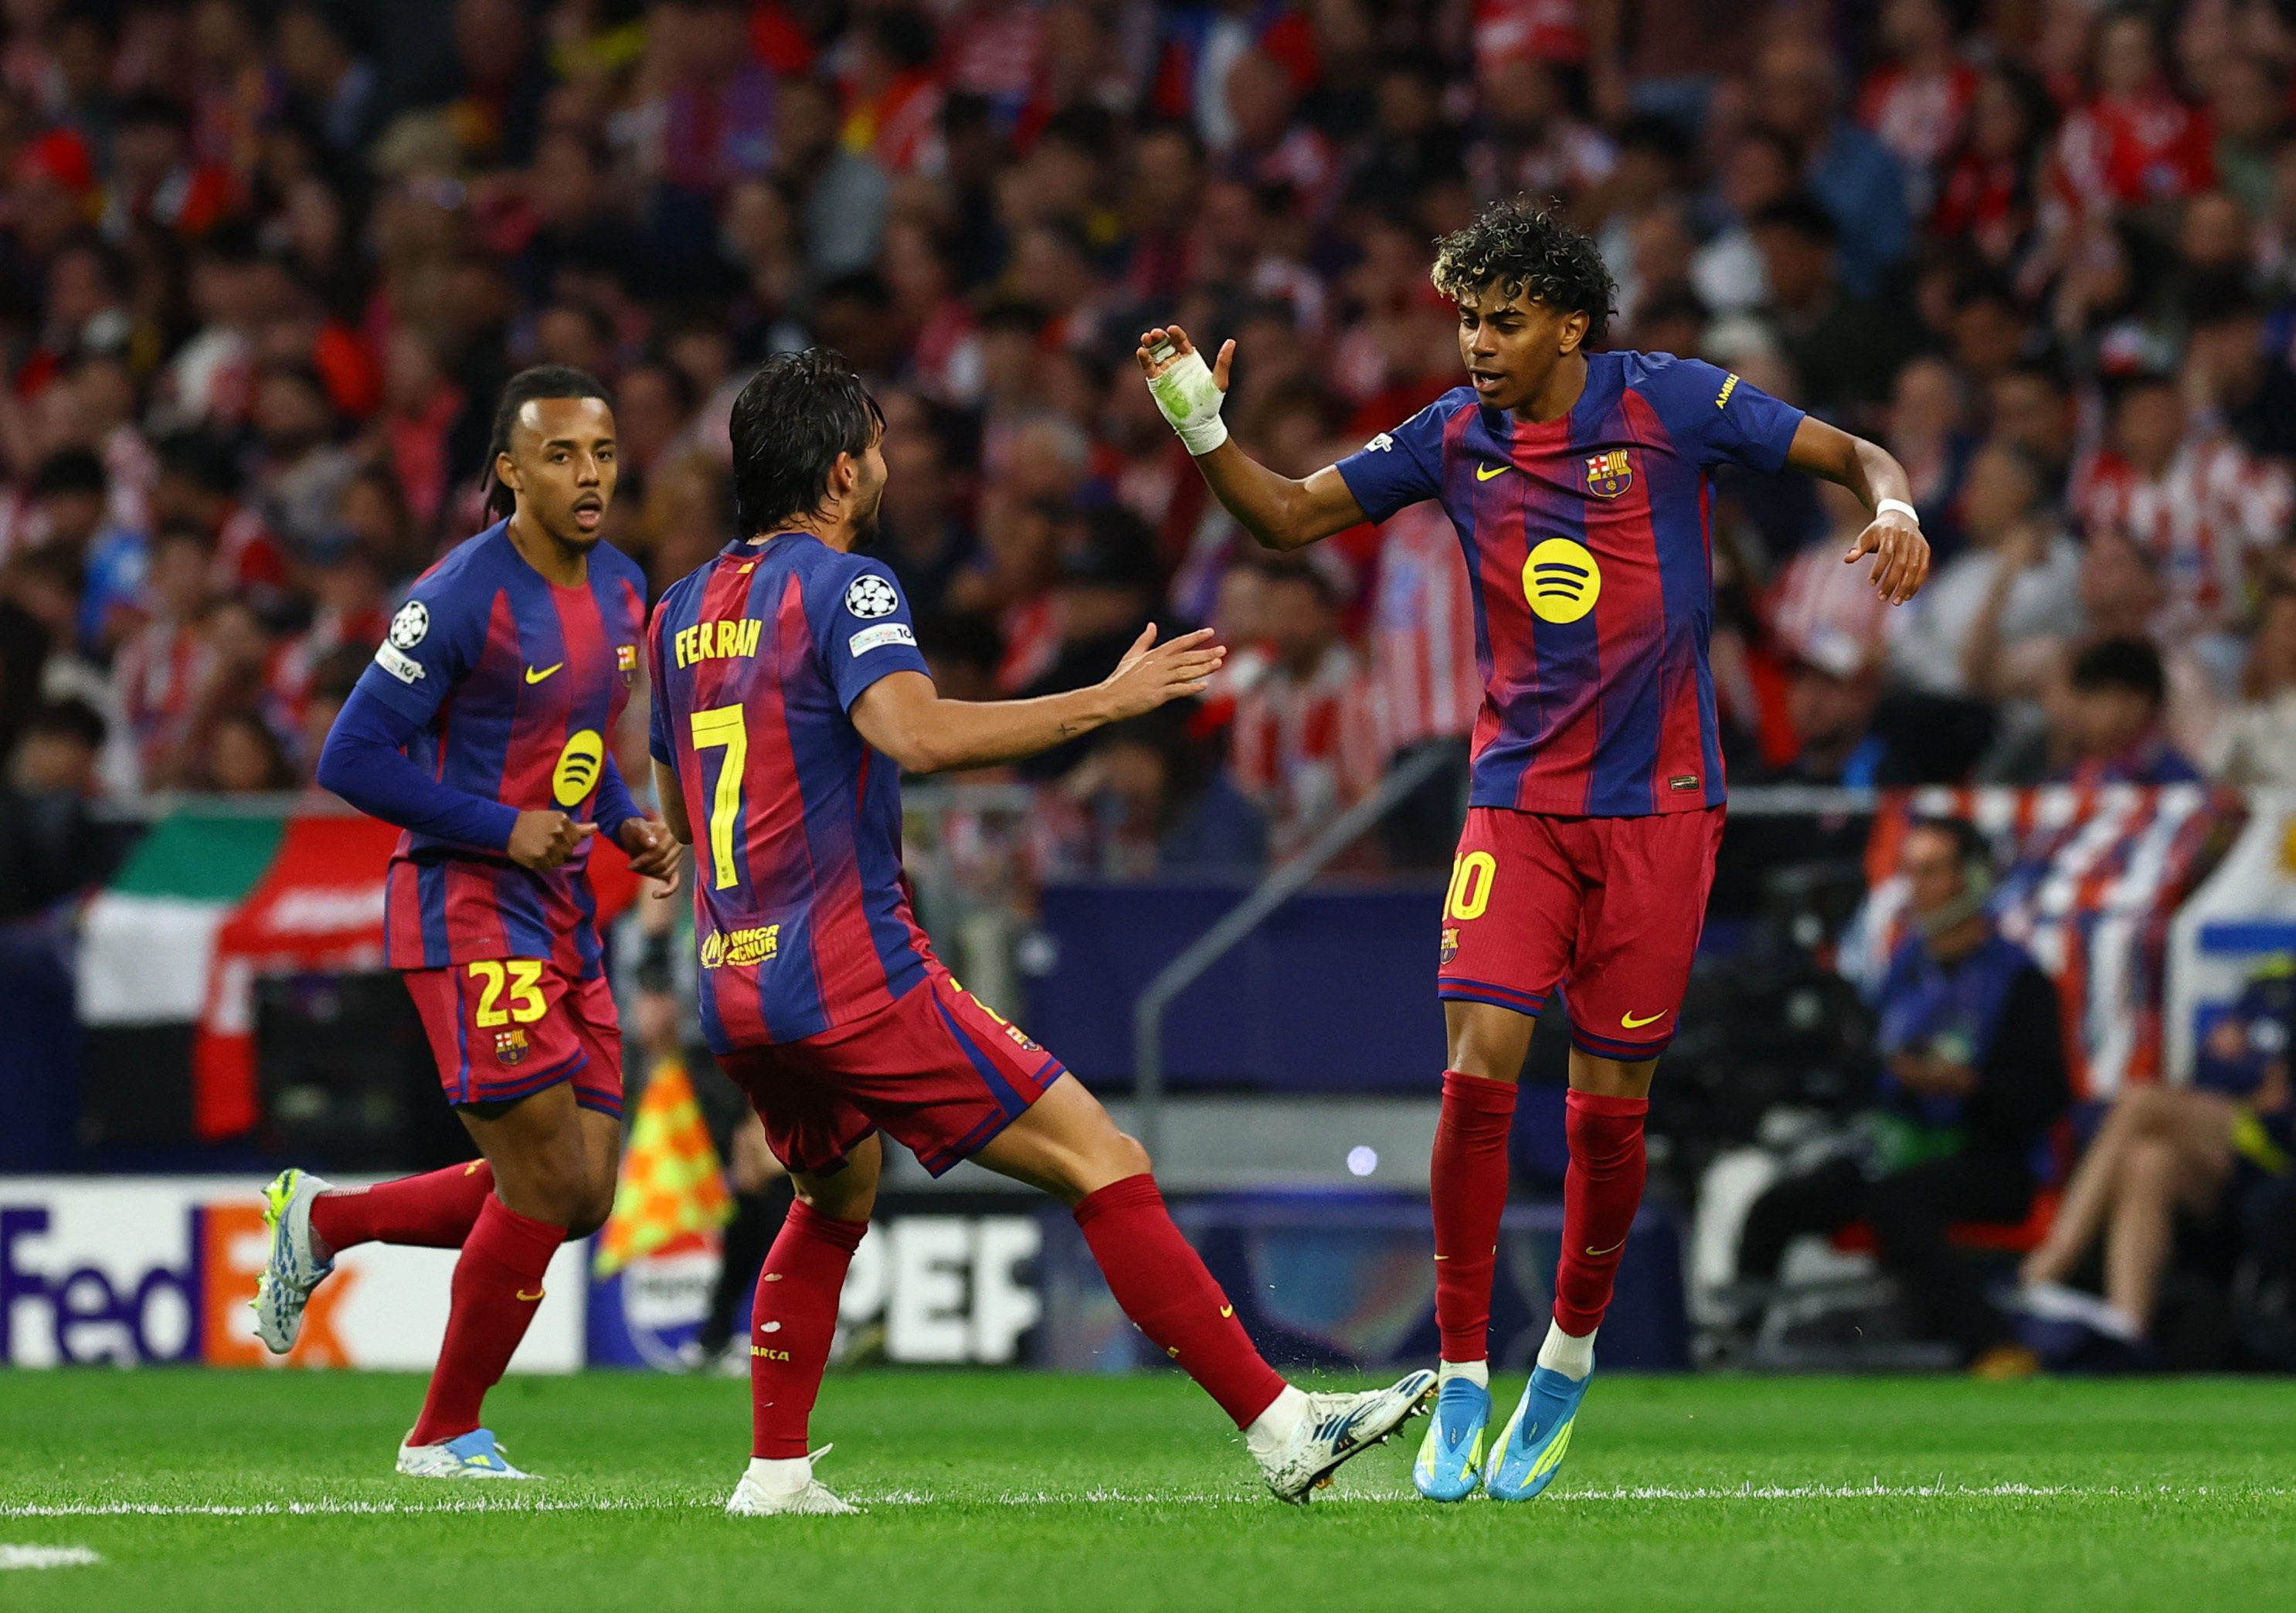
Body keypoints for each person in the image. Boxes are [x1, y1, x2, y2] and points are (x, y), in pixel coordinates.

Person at [1135, 195, 1932, 1503]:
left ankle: (1562, 1357)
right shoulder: (1451, 436)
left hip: (1662, 805)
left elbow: (1858, 455)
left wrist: (1893, 509)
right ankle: (1461, 1370)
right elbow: (1282, 517)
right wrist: (1199, 426)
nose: (1477, 345)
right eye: (1465, 320)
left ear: (1571, 322)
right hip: (1515, 798)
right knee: (1477, 1058)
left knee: (1610, 1107)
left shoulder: (1670, 401)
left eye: (1504, 321)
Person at [647, 348, 1434, 1516]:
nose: (887, 465)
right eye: (876, 445)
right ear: (836, 469)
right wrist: (1107, 702)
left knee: (829, 1197)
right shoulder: (845, 586)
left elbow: (673, 802)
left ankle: (771, 1474)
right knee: (1099, 1157)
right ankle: (1282, 1427)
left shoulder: (678, 611)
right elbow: (914, 736)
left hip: (735, 977)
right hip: (850, 968)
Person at [252, 367, 679, 1479]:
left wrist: (626, 821)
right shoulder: (456, 597)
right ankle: (443, 1433)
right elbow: (349, 757)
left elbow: (577, 747)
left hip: (565, 903)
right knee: (544, 1182)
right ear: (508, 471)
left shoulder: (626, 588)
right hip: (466, 904)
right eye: (559, 456)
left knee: (582, 1190)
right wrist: (501, 828)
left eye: (601, 454)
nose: (588, 476)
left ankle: (323, 1227)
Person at [1736, 817, 2069, 1374]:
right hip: (1897, 1144)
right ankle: (1737, 1345)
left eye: (1932, 871)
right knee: (1780, 1203)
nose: (1916, 886)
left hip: (1987, 1154)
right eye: (1911, 870)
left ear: (1975, 879)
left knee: (1897, 1203)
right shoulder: (1905, 970)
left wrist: (1970, 1088)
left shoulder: (2019, 979)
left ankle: (1993, 1347)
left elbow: (2045, 1094)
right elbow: (1869, 1062)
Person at [2016, 956, 2295, 1361]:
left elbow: (2273, 1097)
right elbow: (2211, 1069)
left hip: (2278, 1149)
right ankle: (2128, 1326)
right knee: (2150, 1160)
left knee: (2140, 1100)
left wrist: (2249, 1074)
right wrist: (2255, 1079)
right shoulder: (2270, 981)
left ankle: (2050, 1263)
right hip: (2236, 1144)